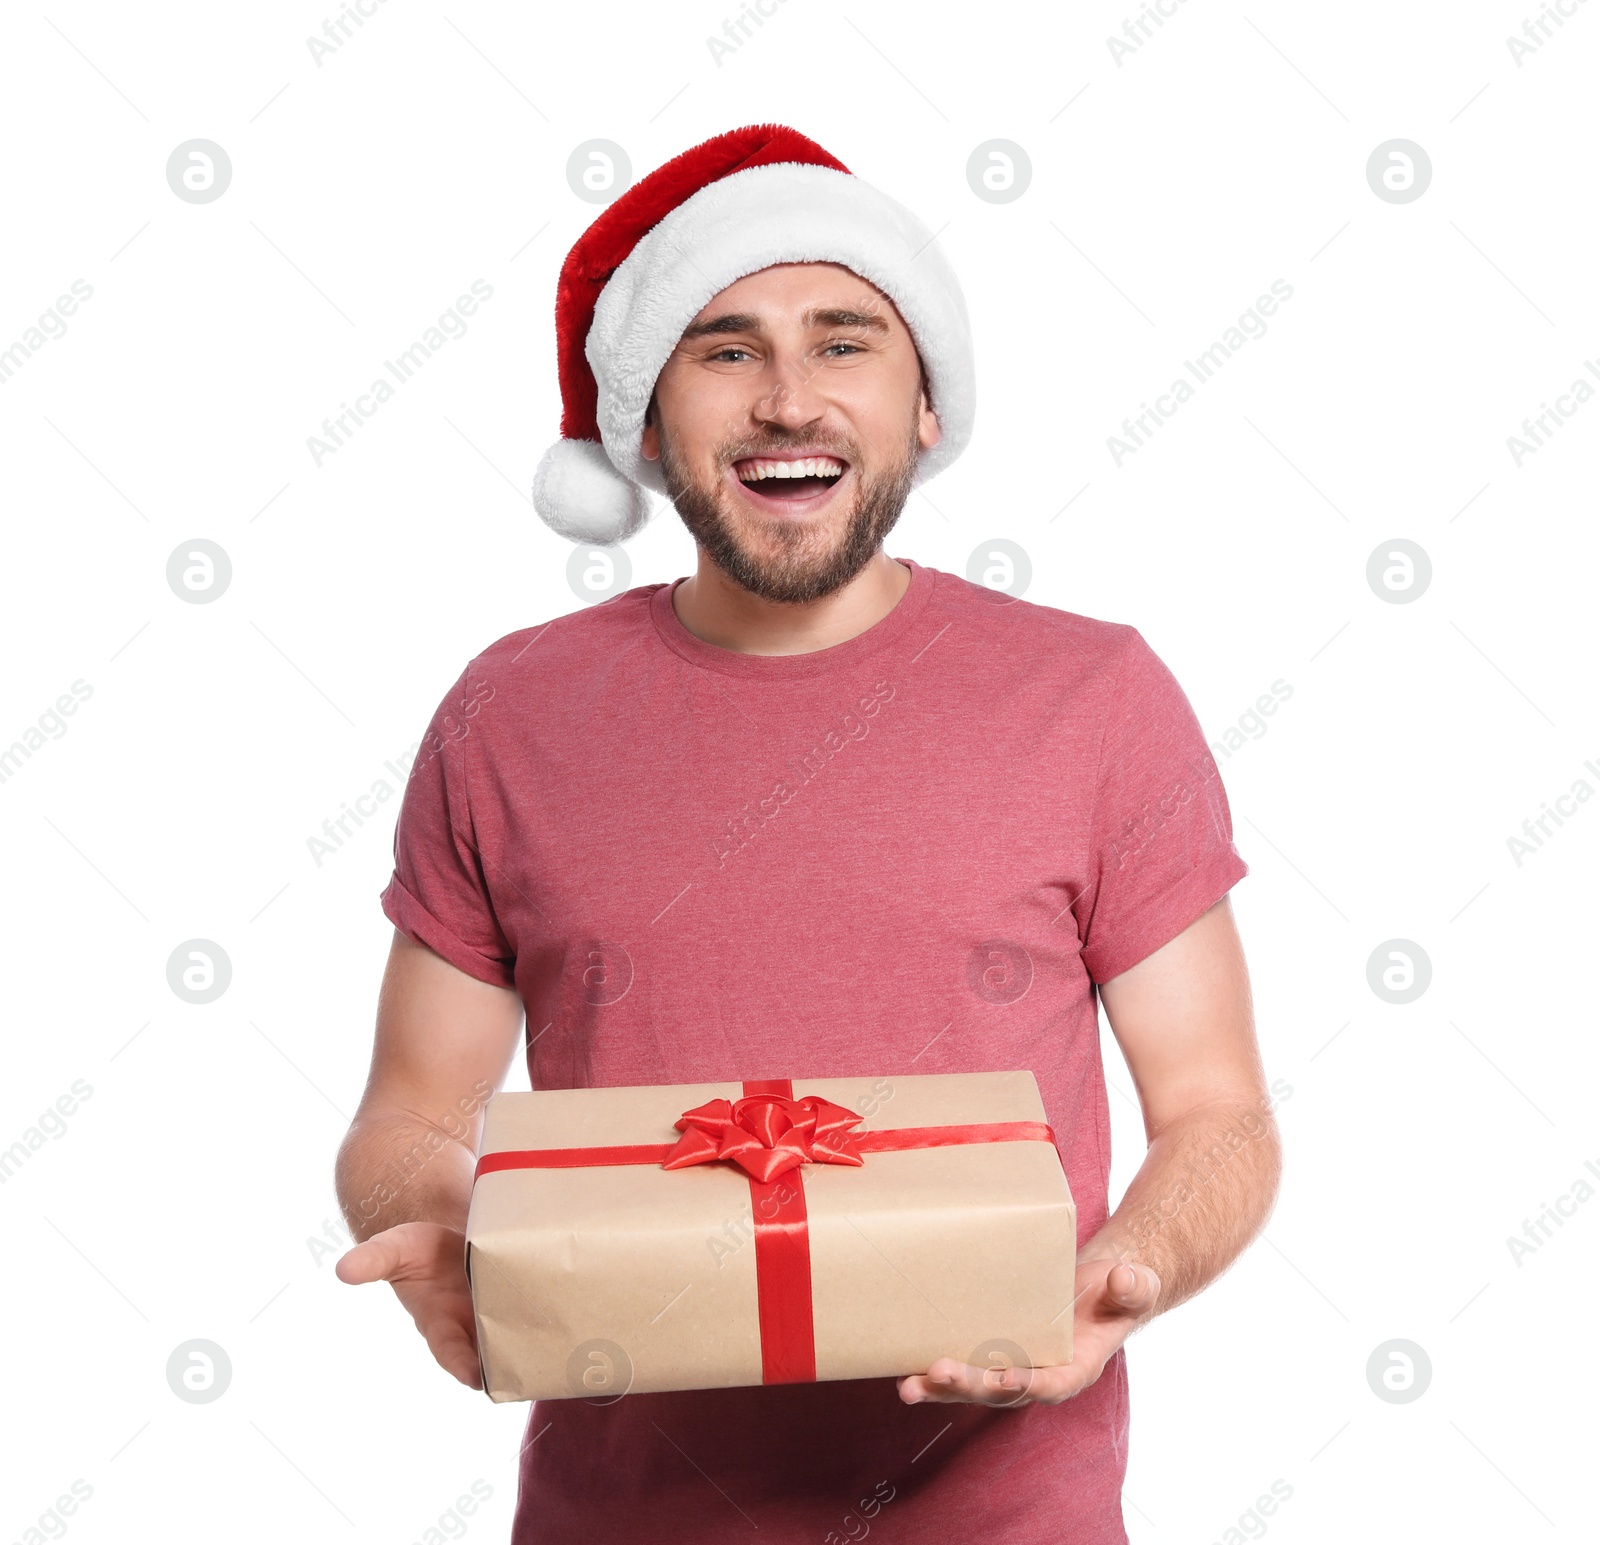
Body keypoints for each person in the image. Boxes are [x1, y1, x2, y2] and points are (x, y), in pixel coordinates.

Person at [335, 123, 1282, 1544]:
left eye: (845, 343)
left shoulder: (1095, 698)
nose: (788, 400)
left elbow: (1218, 1114)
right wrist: (472, 1244)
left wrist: (1126, 1269)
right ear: (646, 420)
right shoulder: (511, 712)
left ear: (924, 406)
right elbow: (407, 1116)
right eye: (724, 348)